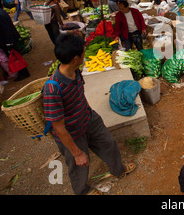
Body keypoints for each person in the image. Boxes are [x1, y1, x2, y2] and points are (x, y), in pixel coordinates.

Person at [43, 34, 136, 195]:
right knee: (78, 165)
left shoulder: (76, 71)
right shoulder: (53, 88)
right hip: (71, 133)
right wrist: (77, 153)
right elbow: (58, 126)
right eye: (83, 52)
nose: (85, 53)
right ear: (75, 58)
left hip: (88, 119)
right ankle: (82, 191)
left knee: (108, 143)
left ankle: (118, 169)